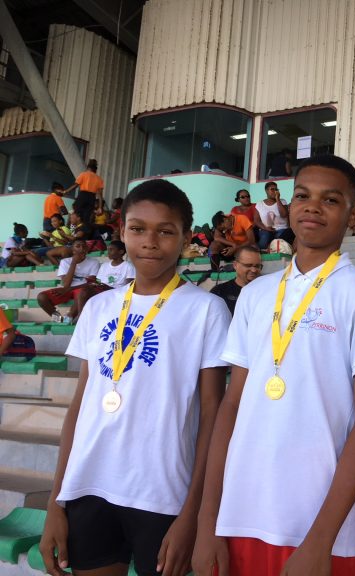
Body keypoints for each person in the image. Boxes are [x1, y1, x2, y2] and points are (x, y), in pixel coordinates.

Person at [191, 154, 355, 576]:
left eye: (330, 200)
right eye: (303, 196)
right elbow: (231, 406)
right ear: (288, 206)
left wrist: (321, 541)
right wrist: (208, 521)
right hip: (240, 514)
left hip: (318, 528)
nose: (313, 207)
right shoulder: (256, 294)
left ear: (354, 214)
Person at [39, 178, 230, 576]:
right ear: (122, 232)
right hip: (89, 486)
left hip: (162, 494)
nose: (150, 242)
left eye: (166, 231)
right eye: (138, 229)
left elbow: (212, 416)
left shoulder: (206, 310)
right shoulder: (98, 307)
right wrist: (57, 502)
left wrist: (193, 513)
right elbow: (79, 408)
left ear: (185, 239)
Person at [70, 241, 136, 322]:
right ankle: (81, 316)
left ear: (121, 252)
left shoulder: (128, 266)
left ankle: (79, 317)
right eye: (108, 250)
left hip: (116, 292)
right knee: (84, 291)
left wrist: (107, 287)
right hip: (103, 289)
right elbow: (99, 281)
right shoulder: (104, 266)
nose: (108, 252)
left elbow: (128, 287)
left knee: (89, 290)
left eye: (111, 250)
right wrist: (95, 284)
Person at [36, 239, 100, 323]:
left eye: (84, 246)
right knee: (42, 297)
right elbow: (66, 284)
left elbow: (91, 283)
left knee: (82, 293)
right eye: (78, 246)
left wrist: (70, 288)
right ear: (72, 250)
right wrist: (74, 262)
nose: (81, 248)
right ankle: (58, 319)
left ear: (87, 249)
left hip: (83, 289)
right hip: (67, 289)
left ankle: (70, 317)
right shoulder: (65, 262)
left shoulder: (94, 262)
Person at [210, 245, 262, 315]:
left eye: (257, 266)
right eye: (248, 265)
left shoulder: (268, 291)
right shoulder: (219, 292)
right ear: (235, 265)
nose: (253, 270)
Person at [254, 181, 294, 250]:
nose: (275, 191)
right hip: (266, 229)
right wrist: (266, 228)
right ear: (266, 191)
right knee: (263, 243)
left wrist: (278, 199)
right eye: (272, 189)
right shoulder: (259, 204)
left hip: (282, 229)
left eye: (276, 189)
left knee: (280, 244)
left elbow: (284, 215)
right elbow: (257, 221)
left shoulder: (282, 201)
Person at [64, 159, 104, 224]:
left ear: (88, 168)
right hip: (91, 198)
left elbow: (75, 185)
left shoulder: (83, 174)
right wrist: (100, 207)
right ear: (95, 170)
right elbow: (100, 195)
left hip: (83, 196)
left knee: (76, 213)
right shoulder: (99, 179)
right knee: (86, 216)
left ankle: (73, 227)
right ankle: (83, 228)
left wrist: (66, 191)